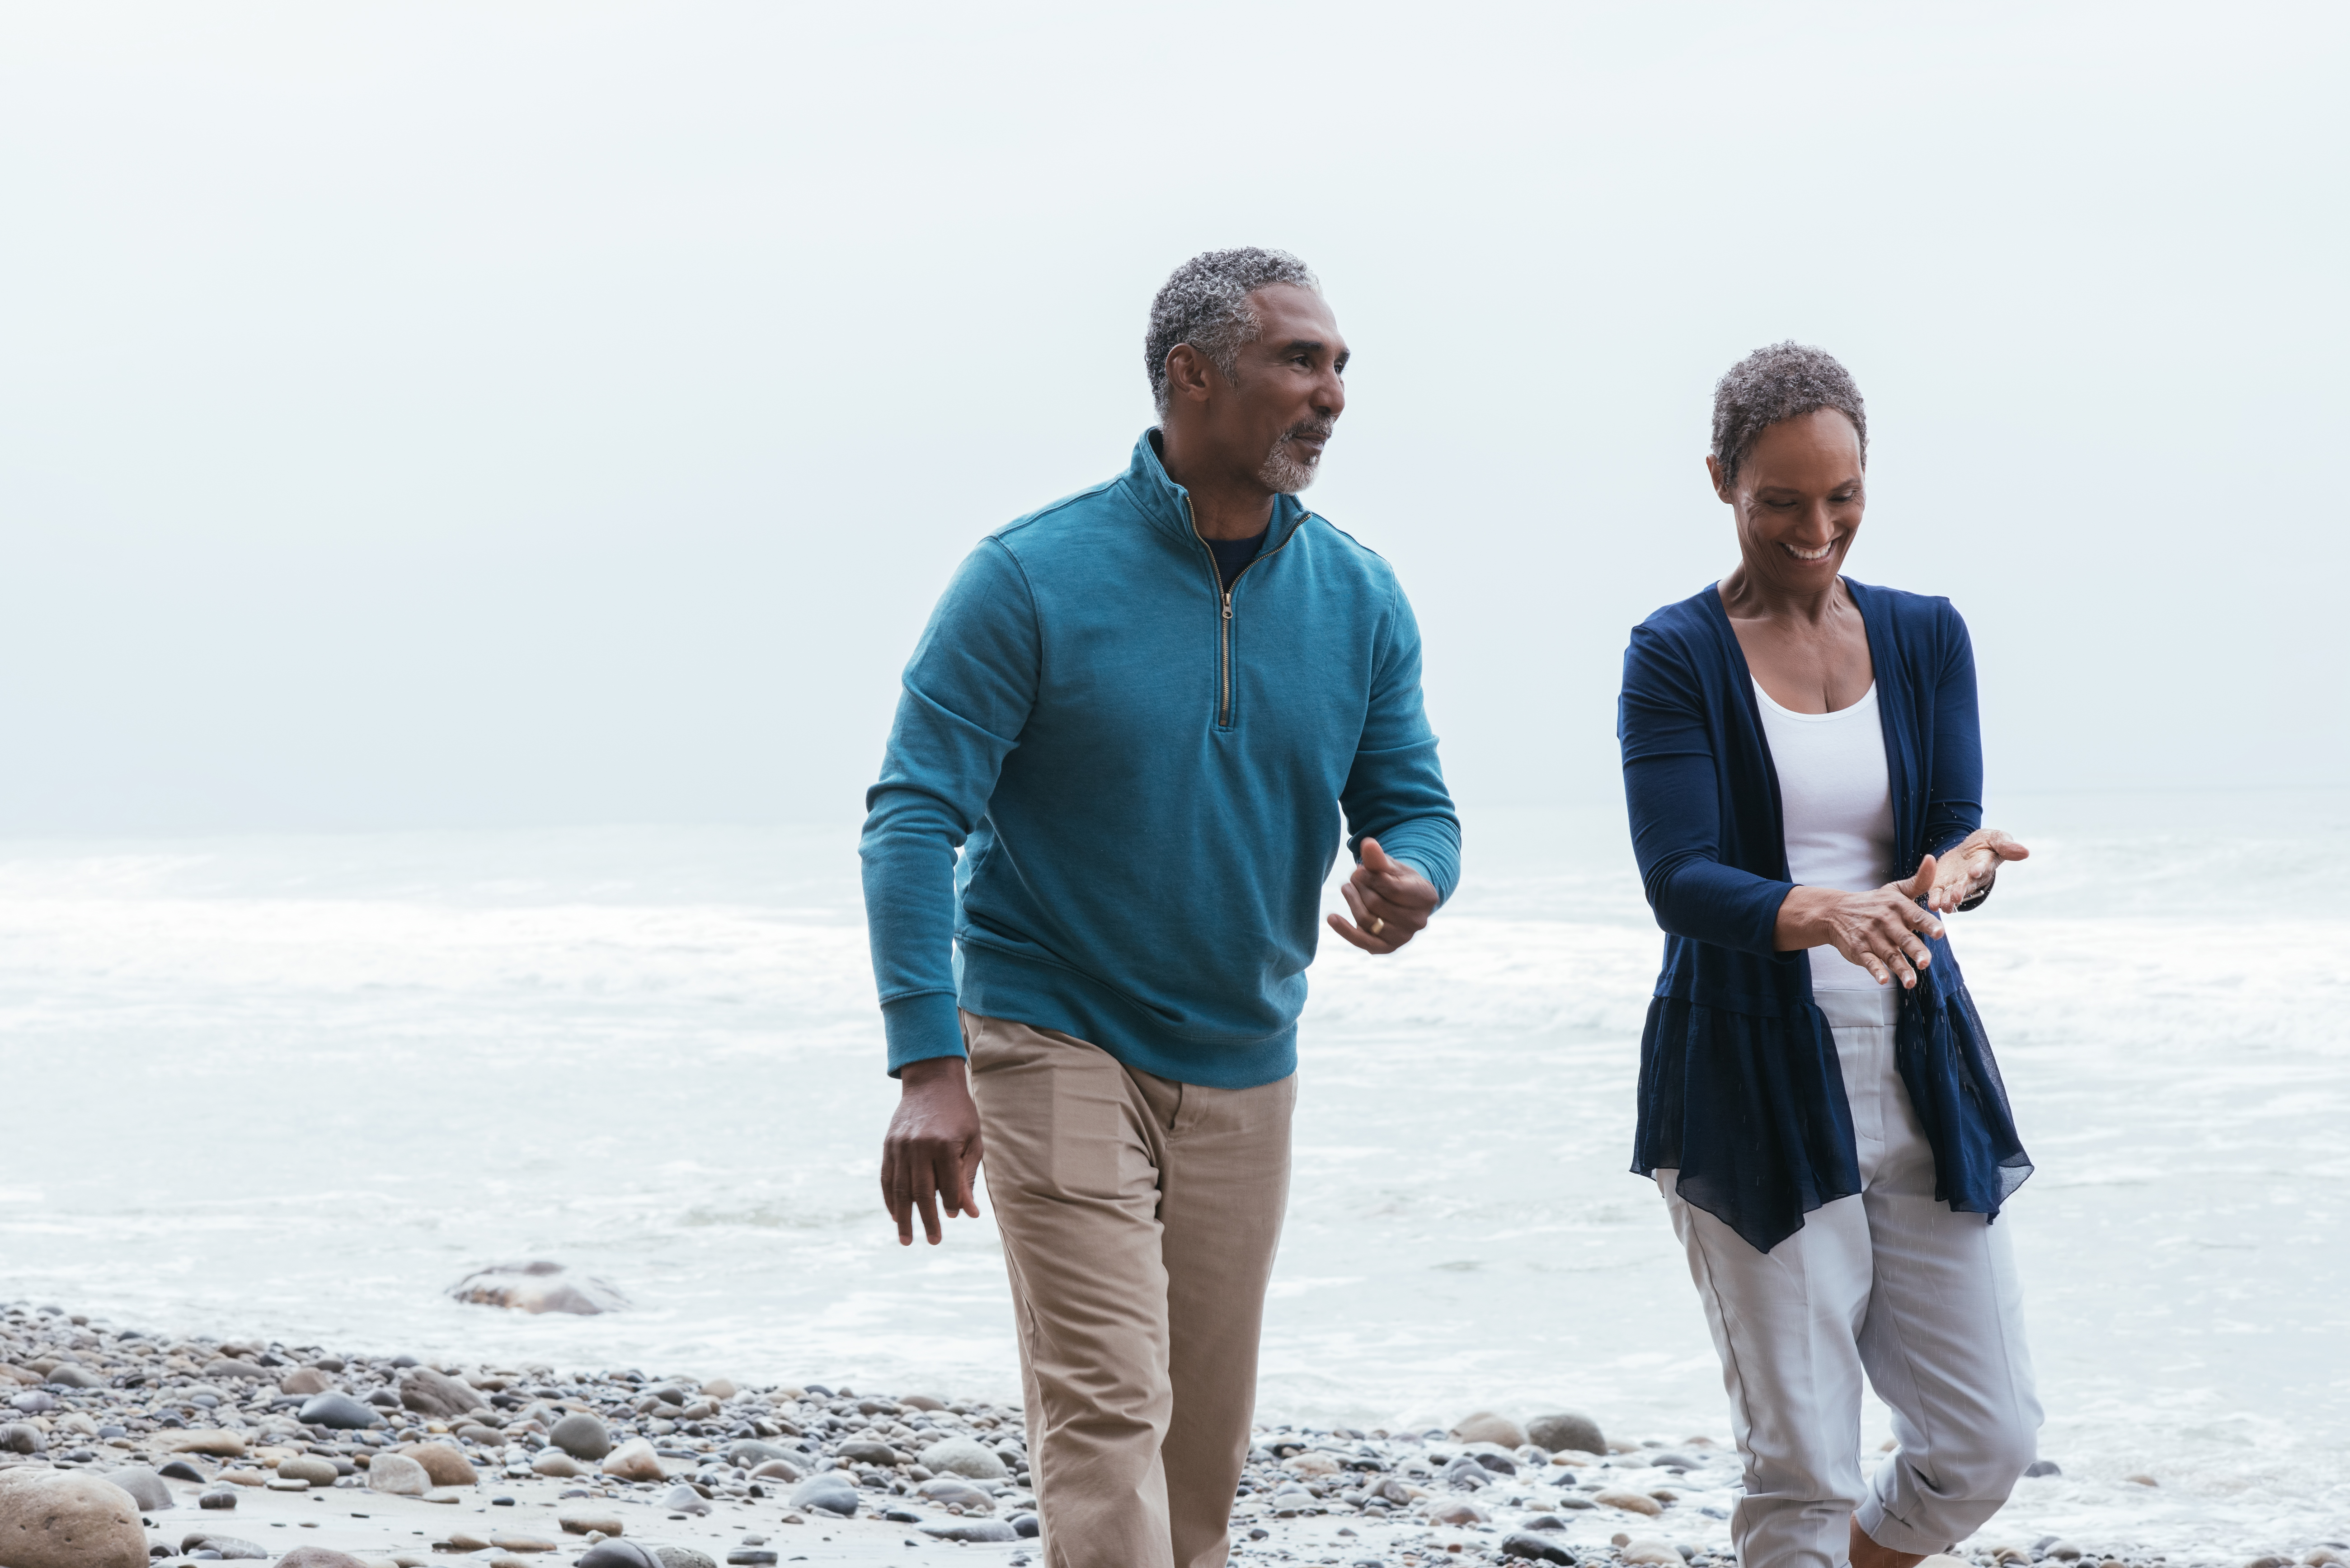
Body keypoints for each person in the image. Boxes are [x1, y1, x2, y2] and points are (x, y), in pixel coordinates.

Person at [859, 247, 1460, 1568]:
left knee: (1201, 1454)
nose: (1333, 394)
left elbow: (1415, 801)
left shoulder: (1359, 597)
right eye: (1299, 361)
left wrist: (1417, 876)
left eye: (1341, 365)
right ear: (1193, 375)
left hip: (1248, 1057)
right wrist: (927, 1064)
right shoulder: (1027, 578)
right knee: (1108, 1405)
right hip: (1055, 1036)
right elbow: (913, 813)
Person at [1617, 342, 2041, 1568]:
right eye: (1782, 501)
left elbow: (1946, 835)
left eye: (1843, 496)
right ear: (1721, 482)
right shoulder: (1675, 655)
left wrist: (1954, 876)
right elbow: (1678, 879)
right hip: (1743, 1080)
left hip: (1918, 1064)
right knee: (1800, 1465)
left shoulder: (1924, 636)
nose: (1819, 528)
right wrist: (1827, 912)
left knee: (1986, 1441)